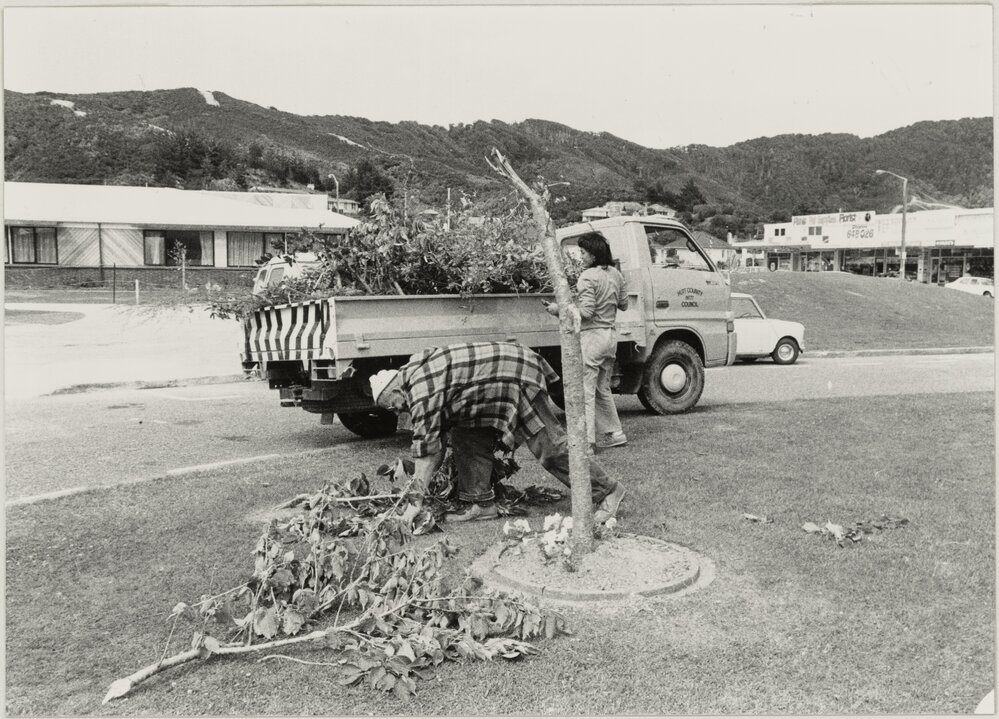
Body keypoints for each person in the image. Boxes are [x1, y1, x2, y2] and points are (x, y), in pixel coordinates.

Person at [368, 341, 626, 525]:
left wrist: (414, 504)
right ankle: (481, 504)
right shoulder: (414, 375)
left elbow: (427, 453)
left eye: (391, 405)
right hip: (498, 378)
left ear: (395, 391)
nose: (395, 410)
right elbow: (436, 445)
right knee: (466, 436)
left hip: (515, 376)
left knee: (548, 447)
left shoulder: (420, 390)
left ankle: (608, 490)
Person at [545, 232, 629, 450]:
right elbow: (624, 304)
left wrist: (559, 310)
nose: (580, 256)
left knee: (586, 391)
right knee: (603, 389)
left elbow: (588, 312)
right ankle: (615, 433)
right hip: (610, 337)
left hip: (592, 338)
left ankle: (587, 443)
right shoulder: (616, 275)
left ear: (593, 254)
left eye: (583, 252)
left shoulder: (587, 276)